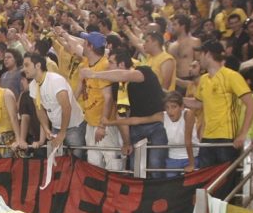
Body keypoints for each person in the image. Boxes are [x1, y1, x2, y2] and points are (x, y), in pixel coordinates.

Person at [82, 49, 168, 178]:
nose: (108, 66)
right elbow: (121, 115)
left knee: (155, 163)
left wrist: (94, 74)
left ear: (121, 64)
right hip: (135, 127)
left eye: (111, 63)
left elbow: (125, 75)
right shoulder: (117, 86)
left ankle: (158, 189)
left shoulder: (144, 71)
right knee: (135, 168)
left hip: (157, 124)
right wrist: (127, 142)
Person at [193, 40, 253, 167]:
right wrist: (172, 98)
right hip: (207, 137)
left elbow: (251, 104)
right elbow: (198, 104)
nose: (198, 58)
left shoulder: (231, 76)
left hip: (226, 136)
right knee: (207, 176)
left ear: (208, 54)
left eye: (200, 54)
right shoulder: (203, 79)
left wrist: (243, 134)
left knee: (225, 176)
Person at [22, 53, 86, 158]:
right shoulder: (33, 85)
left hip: (74, 126)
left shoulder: (55, 80)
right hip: (56, 127)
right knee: (55, 161)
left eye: (27, 65)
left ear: (38, 65)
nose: (24, 69)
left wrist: (62, 133)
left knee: (77, 161)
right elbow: (39, 109)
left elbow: (66, 107)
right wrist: (46, 129)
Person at [78, 31, 121, 170]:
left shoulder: (104, 65)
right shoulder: (86, 63)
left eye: (85, 42)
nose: (82, 44)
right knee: (93, 165)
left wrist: (102, 126)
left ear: (90, 46)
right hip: (90, 123)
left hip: (104, 125)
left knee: (113, 164)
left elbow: (108, 98)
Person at [162, 91, 198, 176]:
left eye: (174, 107)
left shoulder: (188, 114)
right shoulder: (162, 116)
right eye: (167, 107)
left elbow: (188, 141)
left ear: (182, 107)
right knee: (171, 182)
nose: (170, 111)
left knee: (191, 182)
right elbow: (141, 120)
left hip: (191, 157)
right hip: (172, 157)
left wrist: (191, 164)